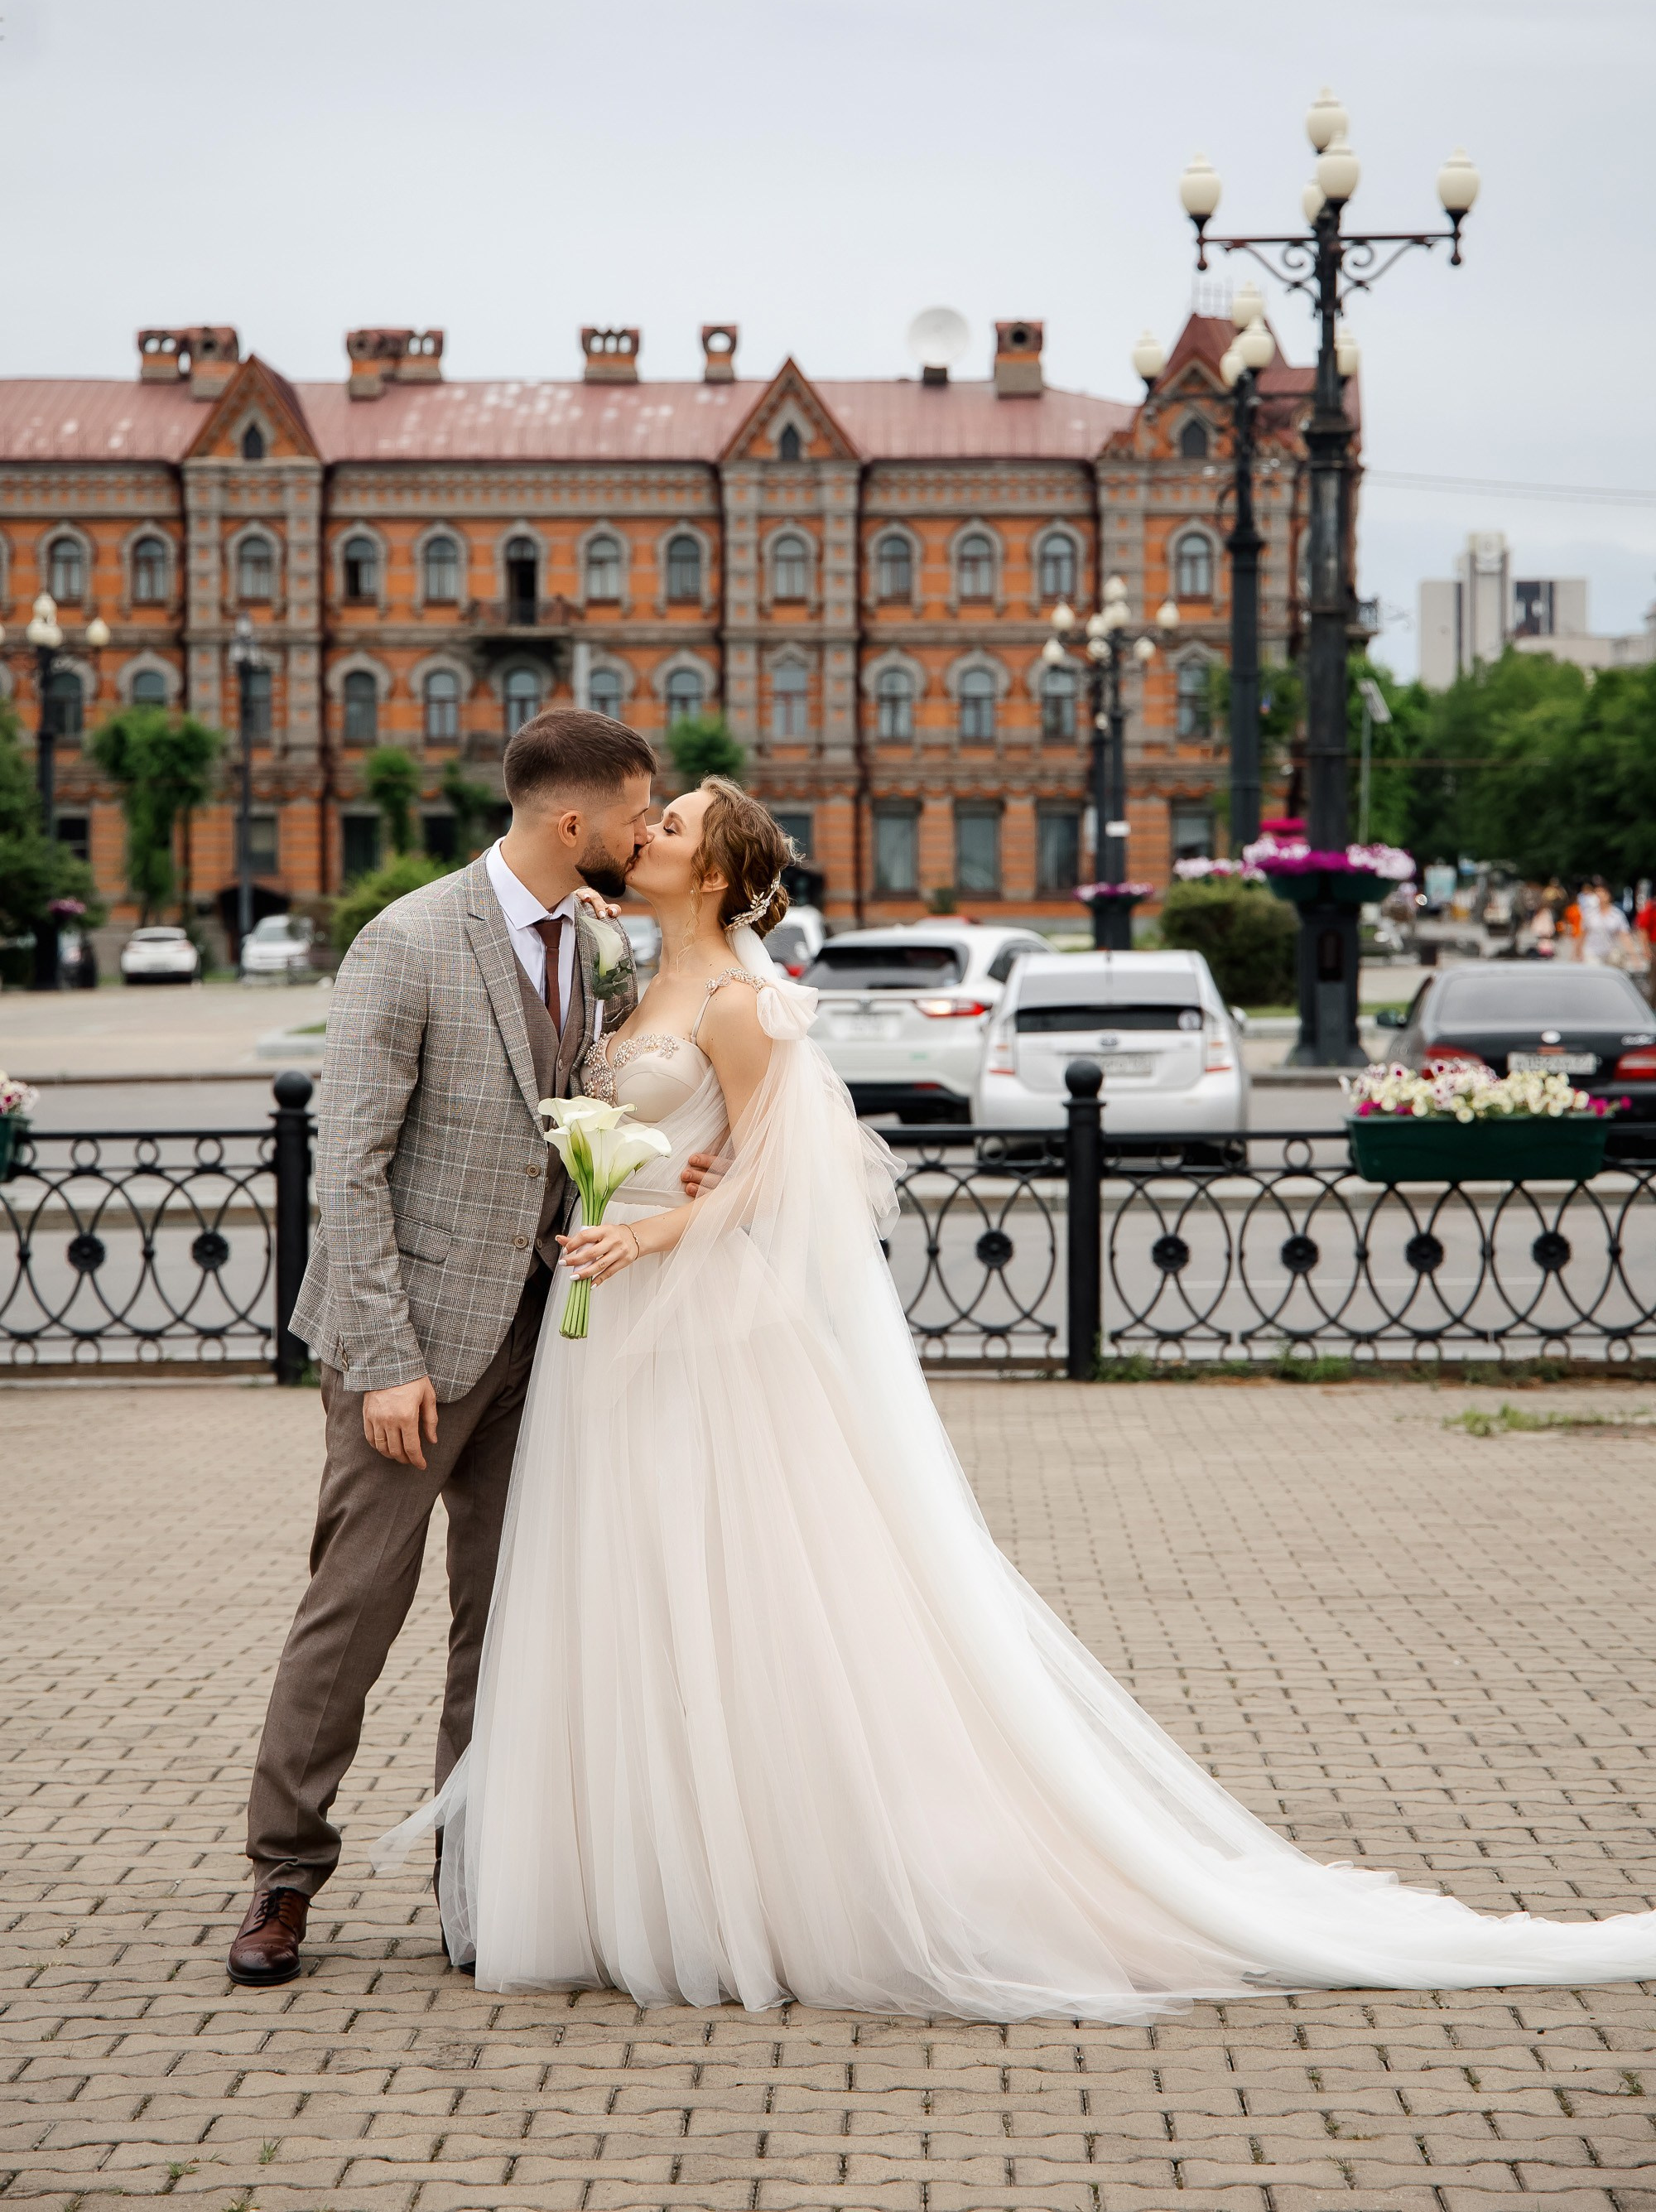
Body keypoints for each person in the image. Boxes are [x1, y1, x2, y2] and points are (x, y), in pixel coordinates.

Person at [373, 776, 1656, 2017]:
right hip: (604, 1331)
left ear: (715, 872)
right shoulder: (623, 974)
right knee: (622, 1588)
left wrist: (650, 1230)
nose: (648, 831)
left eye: (676, 823)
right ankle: (630, 1882)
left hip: (695, 1318)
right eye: (652, 817)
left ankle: (758, 1884)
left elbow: (772, 1173)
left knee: (726, 1588)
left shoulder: (739, 1003)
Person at [226, 709, 653, 1986]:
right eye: (636, 813)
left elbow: (604, 1103)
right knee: (353, 1609)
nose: (645, 832)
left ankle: (474, 1885)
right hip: (406, 1350)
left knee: (502, 1622)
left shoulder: (598, 943)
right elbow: (348, 1166)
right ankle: (283, 1876)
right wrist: (384, 1358)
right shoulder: (407, 941)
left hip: (540, 1340)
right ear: (571, 820)